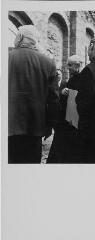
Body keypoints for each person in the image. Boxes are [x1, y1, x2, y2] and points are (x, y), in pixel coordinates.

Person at [8, 25, 60, 164]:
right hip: (35, 128)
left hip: (8, 128)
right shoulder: (48, 63)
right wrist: (49, 125)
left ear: (19, 38)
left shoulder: (7, 58)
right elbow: (54, 100)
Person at [47, 55, 83, 163]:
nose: (68, 67)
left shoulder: (82, 80)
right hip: (66, 120)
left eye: (70, 65)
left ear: (78, 65)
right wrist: (63, 93)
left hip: (73, 122)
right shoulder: (72, 79)